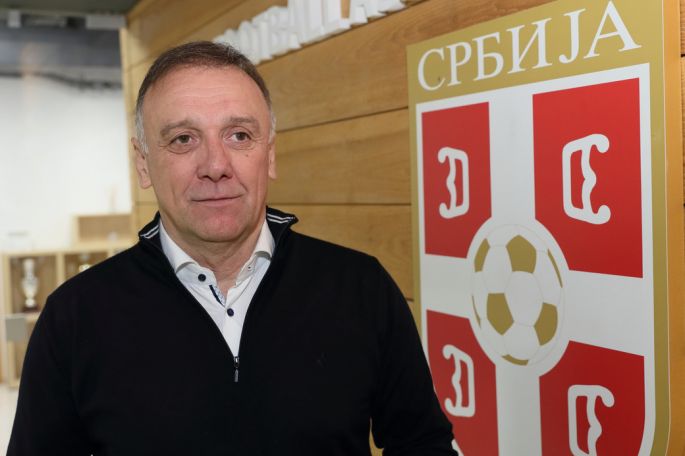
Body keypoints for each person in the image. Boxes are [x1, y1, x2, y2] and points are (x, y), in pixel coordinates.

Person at [8, 41, 457, 455]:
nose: (215, 165)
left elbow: (423, 445)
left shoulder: (360, 288)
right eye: (183, 139)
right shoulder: (75, 318)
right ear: (143, 163)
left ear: (270, 154)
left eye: (239, 135)